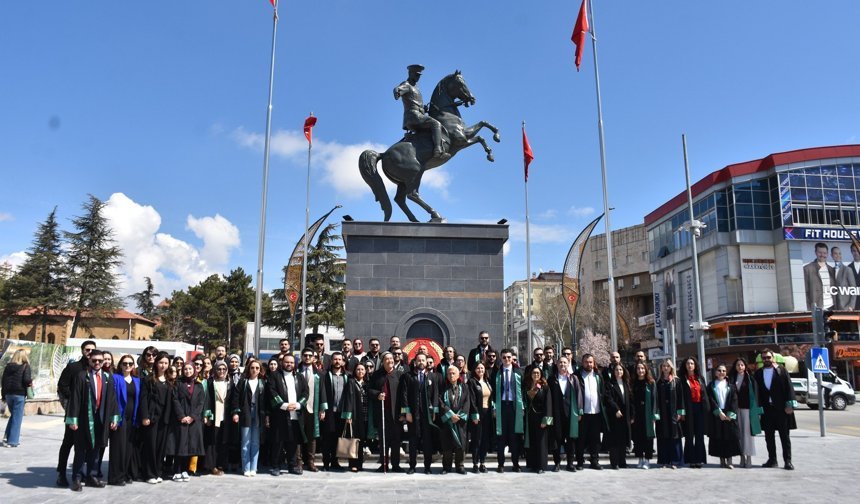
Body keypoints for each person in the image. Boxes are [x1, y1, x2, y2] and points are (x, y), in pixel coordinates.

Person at [65, 349, 118, 491]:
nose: (97, 363)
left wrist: (113, 417)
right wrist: (73, 420)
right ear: (89, 360)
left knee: (96, 449)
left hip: (101, 419)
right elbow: (74, 398)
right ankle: (76, 477)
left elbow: (112, 400)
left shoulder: (108, 377)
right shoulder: (82, 376)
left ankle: (91, 476)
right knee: (81, 449)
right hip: (84, 419)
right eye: (94, 360)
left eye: (100, 360)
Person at [56, 339, 96, 487]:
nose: (90, 352)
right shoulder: (73, 367)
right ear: (82, 351)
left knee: (87, 444)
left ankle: (83, 473)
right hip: (74, 413)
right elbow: (62, 385)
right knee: (68, 442)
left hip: (91, 415)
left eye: (92, 350)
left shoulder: (96, 368)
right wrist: (74, 398)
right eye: (87, 349)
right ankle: (61, 473)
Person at [754, 349, 797, 470]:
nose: (766, 360)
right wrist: (757, 409)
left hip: (781, 409)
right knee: (769, 437)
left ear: (773, 358)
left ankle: (788, 461)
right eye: (764, 358)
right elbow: (756, 392)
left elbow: (789, 387)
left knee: (785, 436)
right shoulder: (758, 373)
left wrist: (790, 405)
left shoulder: (781, 371)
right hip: (767, 410)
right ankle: (772, 460)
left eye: (768, 357)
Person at [267, 354, 308, 476]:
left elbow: (306, 392)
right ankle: (276, 466)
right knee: (278, 441)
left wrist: (299, 405)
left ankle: (292, 465)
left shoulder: (300, 377)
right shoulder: (274, 376)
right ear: (282, 363)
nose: (289, 364)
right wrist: (283, 405)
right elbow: (271, 391)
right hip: (280, 414)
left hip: (295, 413)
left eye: (291, 362)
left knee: (293, 442)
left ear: (294, 364)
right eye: (286, 362)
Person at [393, 64, 446, 159]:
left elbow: (414, 102)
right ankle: (438, 150)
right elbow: (398, 89)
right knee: (436, 124)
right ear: (410, 74)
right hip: (413, 116)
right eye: (416, 75)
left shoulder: (416, 87)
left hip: (417, 115)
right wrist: (397, 92)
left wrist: (423, 109)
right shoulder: (407, 85)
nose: (418, 77)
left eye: (419, 75)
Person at [166, 363, 206, 482]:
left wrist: (192, 417)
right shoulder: (177, 384)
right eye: (186, 369)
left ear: (194, 370)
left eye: (190, 369)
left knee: (189, 446)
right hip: (180, 420)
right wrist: (182, 416)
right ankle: (176, 470)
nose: (188, 371)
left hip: (193, 421)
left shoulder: (198, 385)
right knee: (179, 445)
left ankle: (185, 470)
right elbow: (175, 400)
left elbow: (201, 403)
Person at [399, 352, 437, 474]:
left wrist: (434, 412)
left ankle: (427, 466)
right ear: (415, 362)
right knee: (413, 441)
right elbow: (403, 396)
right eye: (419, 360)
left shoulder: (432, 376)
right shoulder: (408, 376)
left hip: (427, 415)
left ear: (427, 362)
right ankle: (412, 466)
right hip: (413, 414)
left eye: (423, 360)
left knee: (427, 441)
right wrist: (407, 413)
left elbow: (435, 395)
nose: (421, 362)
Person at [369, 352, 404, 472]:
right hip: (382, 413)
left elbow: (404, 396)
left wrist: (403, 413)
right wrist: (377, 394)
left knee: (396, 440)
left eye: (391, 358)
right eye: (387, 359)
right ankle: (384, 464)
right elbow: (369, 390)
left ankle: (396, 465)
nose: (390, 361)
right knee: (384, 440)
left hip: (396, 414)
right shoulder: (377, 375)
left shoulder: (399, 375)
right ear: (382, 362)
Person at [140, 352, 172, 484]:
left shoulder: (170, 380)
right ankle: (149, 474)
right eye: (161, 362)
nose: (163, 365)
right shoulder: (149, 379)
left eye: (165, 363)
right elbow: (143, 399)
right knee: (151, 447)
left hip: (164, 419)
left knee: (160, 447)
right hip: (152, 418)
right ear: (156, 363)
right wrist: (145, 416)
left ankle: (158, 472)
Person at [108, 354, 140, 486]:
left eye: (130, 363)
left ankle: (126, 474)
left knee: (128, 447)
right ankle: (115, 477)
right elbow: (112, 398)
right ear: (120, 365)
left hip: (132, 418)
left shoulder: (137, 380)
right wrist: (113, 417)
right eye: (125, 363)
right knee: (118, 448)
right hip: (119, 418)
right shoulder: (115, 378)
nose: (127, 366)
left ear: (133, 366)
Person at [232, 359, 266, 476]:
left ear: (260, 370)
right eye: (252, 368)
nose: (254, 370)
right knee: (245, 442)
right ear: (249, 369)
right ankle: (246, 467)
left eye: (257, 368)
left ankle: (254, 467)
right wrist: (236, 412)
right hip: (245, 413)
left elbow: (266, 401)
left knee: (255, 442)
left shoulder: (263, 383)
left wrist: (266, 416)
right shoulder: (243, 381)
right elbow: (235, 397)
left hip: (258, 414)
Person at [549, 355, 582, 472]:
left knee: (571, 439)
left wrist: (579, 412)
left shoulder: (574, 379)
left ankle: (570, 463)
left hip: (570, 414)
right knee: (557, 439)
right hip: (556, 415)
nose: (562, 365)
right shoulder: (552, 379)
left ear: (568, 365)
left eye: (565, 363)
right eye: (560, 363)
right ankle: (557, 462)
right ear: (557, 365)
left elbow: (579, 396)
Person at [439, 366, 474, 474]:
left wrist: (458, 416)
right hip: (447, 420)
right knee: (447, 444)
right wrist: (450, 415)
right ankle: (446, 467)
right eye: (449, 373)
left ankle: (460, 466)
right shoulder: (443, 387)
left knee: (461, 443)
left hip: (460, 420)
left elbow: (467, 402)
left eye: (453, 373)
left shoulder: (464, 387)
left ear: (458, 375)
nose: (451, 375)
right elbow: (440, 402)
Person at [707, 364, 741, 469]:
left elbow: (734, 400)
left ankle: (729, 461)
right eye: (719, 370)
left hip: (728, 414)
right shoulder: (711, 385)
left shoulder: (731, 385)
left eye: (724, 370)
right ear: (715, 372)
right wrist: (718, 412)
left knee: (730, 437)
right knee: (719, 437)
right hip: (717, 414)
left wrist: (730, 414)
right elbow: (710, 400)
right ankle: (722, 460)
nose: (721, 372)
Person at [494, 348, 523, 473]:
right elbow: (493, 393)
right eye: (504, 357)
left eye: (509, 357)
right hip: (501, 407)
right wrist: (494, 408)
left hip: (514, 407)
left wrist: (522, 407)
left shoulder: (518, 372)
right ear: (501, 358)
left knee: (514, 438)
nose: (506, 359)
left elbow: (523, 391)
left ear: (512, 358)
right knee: (501, 438)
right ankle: (500, 464)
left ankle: (516, 464)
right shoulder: (497, 373)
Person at [576, 354, 606, 470]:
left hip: (596, 412)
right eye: (586, 362)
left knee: (595, 439)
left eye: (590, 362)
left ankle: (594, 460)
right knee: (581, 439)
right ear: (582, 363)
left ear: (593, 363)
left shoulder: (598, 376)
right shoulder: (577, 376)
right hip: (583, 413)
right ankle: (579, 461)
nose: (588, 364)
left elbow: (602, 392)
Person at [729, 357, 761, 468]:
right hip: (736, 410)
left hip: (748, 410)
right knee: (739, 434)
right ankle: (741, 457)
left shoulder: (750, 379)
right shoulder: (732, 379)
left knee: (748, 434)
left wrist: (757, 411)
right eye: (738, 365)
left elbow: (756, 396)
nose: (740, 367)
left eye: (742, 365)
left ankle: (749, 458)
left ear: (745, 366)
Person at [680, 356, 711, 468]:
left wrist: (707, 409)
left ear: (695, 365)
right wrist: (682, 411)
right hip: (688, 409)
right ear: (685, 366)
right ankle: (690, 459)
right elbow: (681, 397)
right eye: (688, 363)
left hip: (700, 409)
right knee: (689, 435)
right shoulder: (682, 379)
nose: (690, 365)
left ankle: (699, 459)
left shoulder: (700, 378)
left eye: (692, 363)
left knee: (699, 435)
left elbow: (705, 394)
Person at [320, 352, 349, 471]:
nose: (337, 361)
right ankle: (326, 462)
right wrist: (323, 409)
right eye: (335, 359)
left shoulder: (348, 376)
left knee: (338, 437)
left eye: (339, 359)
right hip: (329, 411)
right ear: (331, 361)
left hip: (342, 412)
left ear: (343, 361)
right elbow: (322, 393)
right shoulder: (325, 375)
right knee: (327, 437)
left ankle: (335, 461)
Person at [297, 348, 325, 472]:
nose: (307, 357)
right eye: (305, 355)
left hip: (313, 408)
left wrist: (322, 409)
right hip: (298, 409)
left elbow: (323, 392)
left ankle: (311, 461)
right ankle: (298, 461)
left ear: (314, 358)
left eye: (310, 355)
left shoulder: (319, 373)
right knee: (298, 435)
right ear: (302, 357)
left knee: (312, 436)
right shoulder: (295, 371)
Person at [203, 361, 232, 476]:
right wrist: (208, 416)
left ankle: (222, 464)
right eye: (219, 369)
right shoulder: (210, 382)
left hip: (226, 416)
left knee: (223, 441)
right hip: (214, 415)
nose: (221, 371)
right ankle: (212, 466)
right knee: (212, 442)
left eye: (224, 369)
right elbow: (207, 400)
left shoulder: (229, 383)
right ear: (215, 370)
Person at [655, 359, 684, 469]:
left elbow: (681, 398)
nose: (666, 368)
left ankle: (675, 461)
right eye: (664, 366)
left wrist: (680, 412)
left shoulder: (676, 381)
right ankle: (664, 460)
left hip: (673, 413)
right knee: (663, 437)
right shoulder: (658, 382)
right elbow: (656, 399)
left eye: (668, 366)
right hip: (662, 413)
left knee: (675, 436)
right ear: (661, 368)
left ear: (671, 367)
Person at [604, 363, 633, 470]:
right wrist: (616, 409)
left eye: (620, 370)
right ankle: (614, 462)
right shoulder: (609, 383)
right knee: (614, 440)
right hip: (615, 415)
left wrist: (632, 414)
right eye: (616, 370)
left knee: (623, 439)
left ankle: (622, 461)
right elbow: (608, 398)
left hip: (625, 416)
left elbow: (630, 400)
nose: (619, 372)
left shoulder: (626, 383)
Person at [342, 362, 370, 472]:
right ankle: (353, 463)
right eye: (358, 369)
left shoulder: (367, 383)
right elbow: (348, 399)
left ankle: (360, 463)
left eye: (362, 369)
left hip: (365, 415)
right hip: (354, 415)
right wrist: (348, 415)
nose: (360, 371)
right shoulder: (351, 382)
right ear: (355, 371)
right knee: (353, 439)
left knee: (361, 440)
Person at [2, 348, 32, 448]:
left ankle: (7, 437)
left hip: (9, 394)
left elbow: (3, 381)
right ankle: (13, 441)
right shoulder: (25, 366)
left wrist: (3, 395)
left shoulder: (8, 366)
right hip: (19, 394)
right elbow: (26, 380)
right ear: (24, 356)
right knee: (17, 418)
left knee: (14, 416)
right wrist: (31, 382)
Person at [466, 361, 494, 473]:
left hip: (488, 413)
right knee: (477, 439)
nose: (480, 370)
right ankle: (475, 463)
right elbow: (472, 400)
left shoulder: (487, 381)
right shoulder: (472, 382)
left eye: (482, 368)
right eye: (478, 368)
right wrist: (474, 414)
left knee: (485, 439)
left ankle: (482, 462)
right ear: (474, 370)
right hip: (477, 413)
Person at [524, 366, 552, 474]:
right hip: (530, 417)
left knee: (541, 443)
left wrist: (546, 420)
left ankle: (541, 466)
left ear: (541, 374)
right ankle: (532, 464)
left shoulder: (544, 386)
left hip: (541, 417)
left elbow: (548, 404)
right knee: (532, 442)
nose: (536, 375)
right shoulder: (527, 385)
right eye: (534, 373)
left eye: (538, 373)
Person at [631, 361, 657, 469]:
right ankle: (640, 458)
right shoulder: (633, 383)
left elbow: (654, 399)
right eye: (638, 368)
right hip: (637, 414)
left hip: (648, 413)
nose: (640, 371)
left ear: (646, 370)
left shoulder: (651, 383)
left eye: (642, 368)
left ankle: (647, 459)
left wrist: (654, 415)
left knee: (648, 437)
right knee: (638, 437)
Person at [803, 241, 836, 309]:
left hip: (831, 306)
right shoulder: (807, 269)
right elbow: (805, 291)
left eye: (824, 253)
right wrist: (809, 308)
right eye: (820, 252)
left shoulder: (832, 270)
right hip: (817, 307)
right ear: (815, 253)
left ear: (827, 254)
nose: (822, 255)